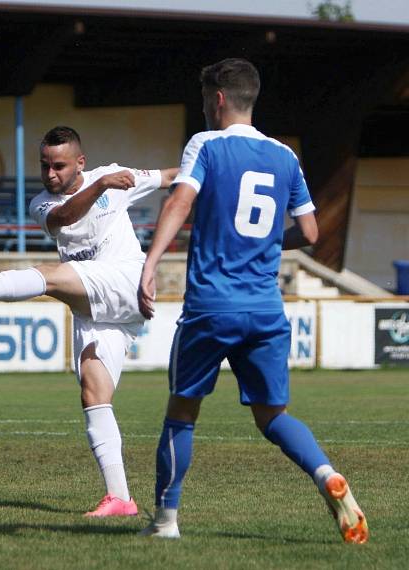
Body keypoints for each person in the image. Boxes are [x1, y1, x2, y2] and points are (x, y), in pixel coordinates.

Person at [137, 58, 368, 543]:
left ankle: (166, 522)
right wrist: (263, 243)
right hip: (265, 308)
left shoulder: (206, 144)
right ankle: (326, 474)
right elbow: (309, 231)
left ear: (218, 99)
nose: (204, 109)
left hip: (212, 306)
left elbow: (180, 200)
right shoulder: (285, 156)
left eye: (205, 100)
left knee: (181, 413)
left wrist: (150, 262)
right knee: (273, 416)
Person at [0, 126, 177, 517]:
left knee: (49, 277)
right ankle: (121, 497)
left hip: (125, 281)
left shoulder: (114, 176)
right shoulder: (42, 203)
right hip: (94, 305)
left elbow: (170, 177)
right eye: (45, 166)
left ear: (80, 162)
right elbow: (66, 217)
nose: (50, 174)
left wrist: (209, 169)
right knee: (93, 391)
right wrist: (103, 183)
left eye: (59, 166)